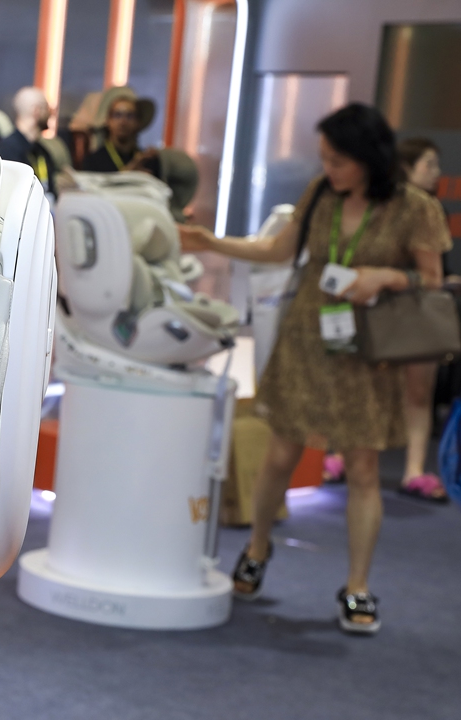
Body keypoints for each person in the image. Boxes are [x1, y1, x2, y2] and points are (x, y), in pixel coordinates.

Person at [178, 104, 451, 635]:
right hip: (307, 334)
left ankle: (357, 585)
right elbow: (280, 250)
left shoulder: (415, 208)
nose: (329, 169)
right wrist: (213, 243)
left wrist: (384, 276)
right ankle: (257, 547)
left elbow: (433, 280)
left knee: (364, 467)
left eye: (339, 160)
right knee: (281, 451)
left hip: (367, 351)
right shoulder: (321, 193)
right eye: (325, 158)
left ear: (369, 158)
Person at [395, 138, 450, 503]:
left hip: (417, 312)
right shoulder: (378, 205)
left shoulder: (429, 209)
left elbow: (434, 272)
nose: (436, 173)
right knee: (363, 389)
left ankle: (413, 470)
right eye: (428, 164)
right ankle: (341, 458)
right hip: (372, 309)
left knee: (419, 393)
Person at [81, 86, 160, 176]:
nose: (123, 121)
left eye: (129, 115)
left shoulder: (147, 161)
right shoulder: (93, 161)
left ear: (138, 122)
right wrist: (128, 173)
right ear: (108, 121)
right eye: (117, 115)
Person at [0, 86, 60, 195]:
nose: (51, 114)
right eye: (48, 109)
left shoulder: (40, 151)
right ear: (37, 110)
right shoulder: (8, 150)